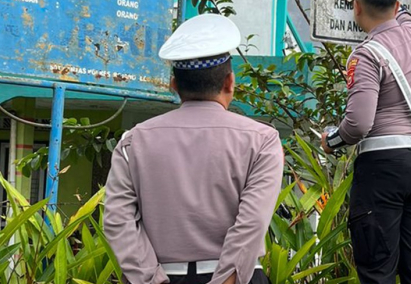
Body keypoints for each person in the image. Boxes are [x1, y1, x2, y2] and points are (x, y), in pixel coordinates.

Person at [104, 14, 284, 284]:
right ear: (229, 83)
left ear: (174, 86)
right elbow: (252, 223)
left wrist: (150, 278)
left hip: (162, 277)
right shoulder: (262, 140)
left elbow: (118, 221)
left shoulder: (134, 141)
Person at [320, 0, 411, 284]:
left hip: (385, 167)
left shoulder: (366, 56)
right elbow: (403, 17)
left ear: (356, 7)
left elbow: (359, 124)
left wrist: (332, 140)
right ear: (397, 5)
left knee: (378, 269)